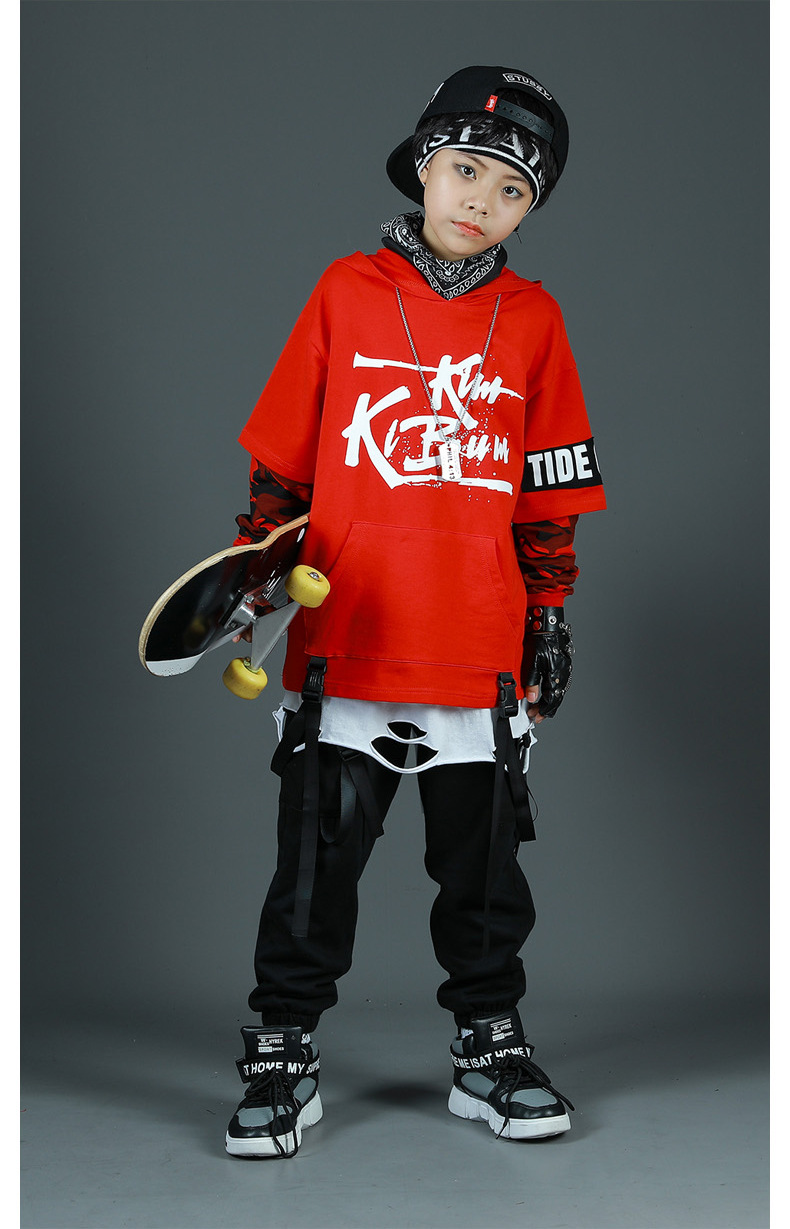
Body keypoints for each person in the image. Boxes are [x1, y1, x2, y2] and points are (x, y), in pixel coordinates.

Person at [224, 64, 606, 1159]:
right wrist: (255, 569)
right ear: (425, 166)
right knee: (314, 868)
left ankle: (490, 1046)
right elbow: (283, 467)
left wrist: (548, 617)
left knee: (483, 875)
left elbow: (546, 495)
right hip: (345, 640)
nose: (482, 199)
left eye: (513, 190)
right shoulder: (344, 292)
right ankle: (282, 1047)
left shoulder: (535, 321)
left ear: (529, 210)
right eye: (468, 170)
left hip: (477, 646)